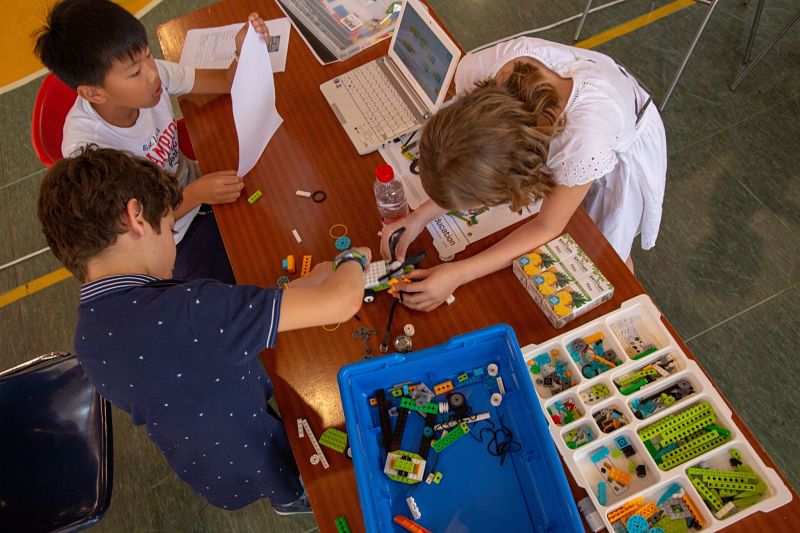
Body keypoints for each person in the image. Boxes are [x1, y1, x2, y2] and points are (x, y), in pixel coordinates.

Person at [37, 146, 371, 513]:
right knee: (301, 482)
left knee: (269, 475)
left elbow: (212, 333)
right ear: (136, 217)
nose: (172, 242)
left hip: (204, 461)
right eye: (170, 228)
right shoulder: (192, 310)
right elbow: (342, 301)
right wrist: (354, 260)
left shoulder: (87, 337)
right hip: (257, 444)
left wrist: (303, 287)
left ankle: (285, 497)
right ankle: (294, 498)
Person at [380, 37, 667, 311]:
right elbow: (464, 163)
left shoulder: (584, 142)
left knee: (607, 250)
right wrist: (418, 217)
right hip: (592, 98)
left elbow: (547, 227)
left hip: (624, 130)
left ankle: (634, 300)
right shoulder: (481, 73)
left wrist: (458, 273)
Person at [33, 0, 269, 284]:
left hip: (205, 187)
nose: (152, 73)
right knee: (249, 279)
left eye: (148, 55)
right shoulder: (92, 155)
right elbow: (135, 234)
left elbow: (224, 81)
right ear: (94, 93)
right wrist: (196, 194)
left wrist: (244, 51)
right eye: (135, 72)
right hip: (170, 237)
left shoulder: (152, 78)